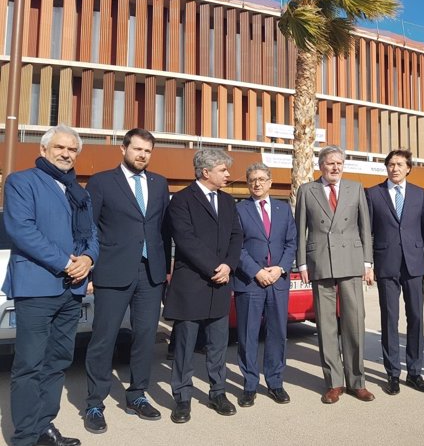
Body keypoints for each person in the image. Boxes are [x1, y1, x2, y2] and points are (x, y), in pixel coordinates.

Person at [2, 125, 99, 446]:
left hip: (71, 290)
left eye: (72, 150)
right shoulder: (22, 181)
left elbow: (92, 236)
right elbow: (22, 230)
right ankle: (25, 437)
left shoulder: (78, 191)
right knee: (30, 365)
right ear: (44, 150)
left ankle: (44, 427)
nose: (66, 154)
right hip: (38, 287)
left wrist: (88, 260)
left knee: (57, 362)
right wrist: (67, 262)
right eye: (60, 147)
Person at [83, 128, 171, 434]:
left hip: (151, 273)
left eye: (148, 151)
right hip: (112, 271)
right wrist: (90, 269)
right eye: (137, 149)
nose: (142, 155)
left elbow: (163, 229)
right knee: (104, 338)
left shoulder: (159, 184)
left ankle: (137, 394)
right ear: (124, 148)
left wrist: (166, 268)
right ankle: (95, 402)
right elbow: (89, 228)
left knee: (146, 337)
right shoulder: (102, 182)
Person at [163, 149, 243, 423]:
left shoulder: (228, 201)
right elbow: (185, 240)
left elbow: (236, 236)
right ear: (206, 171)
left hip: (220, 283)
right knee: (185, 346)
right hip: (192, 284)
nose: (228, 175)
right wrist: (214, 267)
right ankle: (182, 398)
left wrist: (229, 266)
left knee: (218, 345)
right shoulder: (182, 200)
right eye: (223, 170)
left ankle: (217, 392)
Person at [295, 145, 375, 404]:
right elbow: (300, 230)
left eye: (339, 163)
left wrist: (367, 262)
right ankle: (334, 383)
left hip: (351, 260)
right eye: (330, 163)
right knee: (327, 326)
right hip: (320, 261)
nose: (335, 167)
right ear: (321, 166)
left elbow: (365, 227)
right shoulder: (307, 190)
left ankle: (357, 381)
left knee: (354, 322)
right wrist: (302, 264)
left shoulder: (356, 188)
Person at [366, 149, 424, 395]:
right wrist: (368, 265)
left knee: (416, 318)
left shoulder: (420, 194)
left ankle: (415, 372)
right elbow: (367, 232)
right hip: (386, 265)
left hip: (415, 265)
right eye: (391, 164)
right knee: (390, 320)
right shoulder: (373, 193)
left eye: (399, 164)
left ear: (408, 168)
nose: (394, 168)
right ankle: (393, 373)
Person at [233, 163, 297, 407]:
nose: (257, 183)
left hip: (278, 281)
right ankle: (249, 385)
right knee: (248, 335)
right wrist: (256, 271)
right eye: (252, 180)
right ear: (248, 184)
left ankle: (275, 382)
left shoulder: (283, 209)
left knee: (277, 333)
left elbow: (291, 243)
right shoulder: (239, 210)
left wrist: (280, 268)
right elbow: (235, 246)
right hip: (250, 281)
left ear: (270, 182)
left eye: (261, 179)